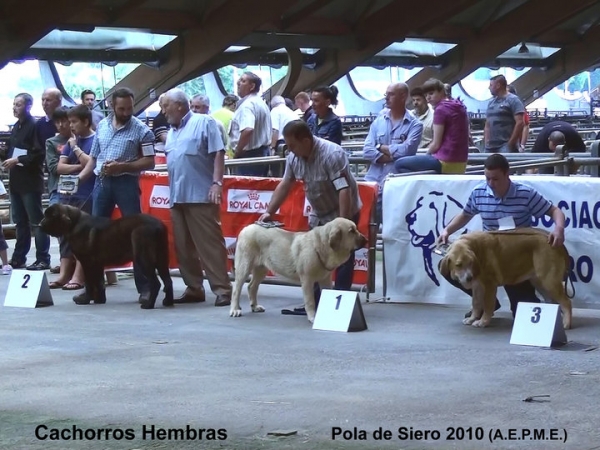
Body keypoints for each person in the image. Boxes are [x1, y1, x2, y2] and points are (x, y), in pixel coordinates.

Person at [437, 153, 566, 317]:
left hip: (516, 258)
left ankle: (548, 305)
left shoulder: (525, 193)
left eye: (495, 179)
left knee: (522, 313)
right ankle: (485, 302)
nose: (491, 183)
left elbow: (555, 211)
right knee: (447, 267)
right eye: (487, 178)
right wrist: (447, 230)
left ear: (507, 174)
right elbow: (465, 215)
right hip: (489, 255)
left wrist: (559, 228)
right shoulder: (479, 193)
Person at [258, 120, 362, 316]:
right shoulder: (293, 158)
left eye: (291, 145)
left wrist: (343, 222)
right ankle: (314, 304)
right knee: (313, 256)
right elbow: (286, 184)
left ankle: (339, 306)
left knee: (343, 257)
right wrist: (269, 211)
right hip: (319, 212)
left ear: (306, 141)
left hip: (342, 209)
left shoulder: (332, 154)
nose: (288, 149)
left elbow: (344, 189)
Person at [77, 87, 156, 305]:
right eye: (122, 108)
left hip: (126, 183)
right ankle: (93, 289)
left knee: (137, 235)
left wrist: (123, 166)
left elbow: (150, 161)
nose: (126, 112)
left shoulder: (142, 130)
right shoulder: (101, 126)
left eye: (130, 108)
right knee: (93, 235)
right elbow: (93, 158)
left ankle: (146, 288)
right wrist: (79, 180)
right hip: (102, 182)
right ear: (112, 106)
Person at [162, 89, 231, 307]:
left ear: (180, 106)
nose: (163, 112)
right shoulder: (172, 132)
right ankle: (194, 288)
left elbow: (218, 152)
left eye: (166, 107)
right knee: (183, 246)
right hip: (177, 196)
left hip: (200, 194)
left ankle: (222, 289)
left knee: (209, 245)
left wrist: (217, 183)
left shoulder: (204, 122)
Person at [2, 93, 50, 270]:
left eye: (19, 104)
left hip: (30, 181)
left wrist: (18, 159)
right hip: (16, 181)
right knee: (20, 222)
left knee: (37, 221)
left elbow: (39, 154)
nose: (14, 107)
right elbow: (12, 152)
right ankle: (19, 257)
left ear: (28, 106)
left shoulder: (35, 126)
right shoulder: (16, 126)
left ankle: (43, 258)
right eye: (14, 104)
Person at [363, 82, 422, 222]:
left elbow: (407, 151)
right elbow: (367, 150)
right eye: (386, 94)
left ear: (403, 97)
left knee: (392, 223)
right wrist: (393, 154)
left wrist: (380, 147)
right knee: (367, 223)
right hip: (372, 182)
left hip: (395, 184)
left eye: (391, 94)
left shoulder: (415, 124)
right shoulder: (378, 121)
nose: (386, 98)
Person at [52, 105, 97, 291]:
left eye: (74, 122)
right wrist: (79, 166)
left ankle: (79, 275)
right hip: (68, 194)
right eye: (69, 122)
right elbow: (60, 167)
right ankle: (64, 273)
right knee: (66, 235)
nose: (71, 126)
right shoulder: (71, 140)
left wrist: (76, 151)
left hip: (87, 193)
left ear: (86, 121)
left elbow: (93, 163)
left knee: (83, 235)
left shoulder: (95, 140)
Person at [394, 78, 469, 175]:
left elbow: (436, 144)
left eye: (431, 93)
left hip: (445, 161)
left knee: (399, 164)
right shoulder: (458, 106)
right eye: (426, 95)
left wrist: (427, 155)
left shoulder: (440, 110)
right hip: (461, 162)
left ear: (441, 91)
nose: (428, 97)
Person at [229, 71, 272, 176]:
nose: (238, 83)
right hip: (262, 153)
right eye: (239, 80)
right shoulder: (261, 103)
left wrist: (238, 152)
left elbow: (248, 129)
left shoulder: (247, 105)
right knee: (258, 190)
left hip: (249, 157)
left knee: (248, 191)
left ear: (252, 86)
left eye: (243, 81)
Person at [484, 75, 525, 153]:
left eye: (491, 85)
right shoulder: (491, 103)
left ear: (498, 85)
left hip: (505, 145)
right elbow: (487, 124)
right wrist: (486, 142)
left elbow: (520, 122)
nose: (489, 88)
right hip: (490, 147)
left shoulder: (513, 100)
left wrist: (511, 143)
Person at [45, 107, 71, 206]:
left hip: (81, 187)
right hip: (58, 187)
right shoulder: (51, 142)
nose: (60, 125)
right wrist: (79, 167)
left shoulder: (80, 139)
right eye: (57, 122)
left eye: (64, 121)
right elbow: (53, 167)